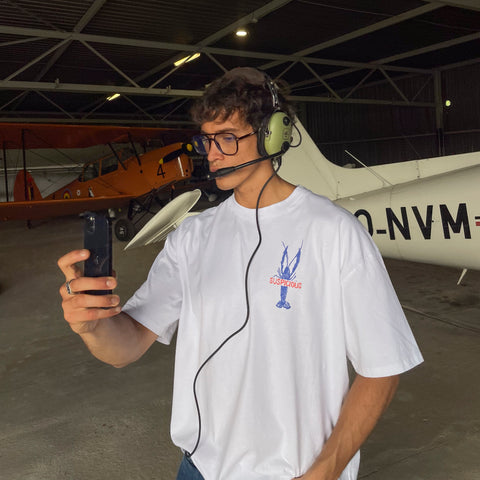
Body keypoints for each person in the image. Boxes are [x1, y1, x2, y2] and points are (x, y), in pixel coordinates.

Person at [58, 67, 423, 480]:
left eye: (228, 137)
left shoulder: (334, 231)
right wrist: (93, 325)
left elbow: (383, 367)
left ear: (272, 135)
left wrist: (324, 471)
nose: (212, 153)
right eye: (206, 139)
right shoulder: (191, 237)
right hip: (199, 468)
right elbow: (125, 349)